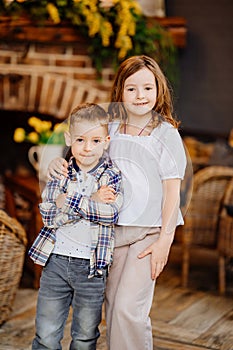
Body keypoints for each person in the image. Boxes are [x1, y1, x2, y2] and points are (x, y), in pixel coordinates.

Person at [48, 55, 187, 350]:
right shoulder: (109, 129)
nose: (140, 96)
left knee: (128, 309)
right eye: (132, 88)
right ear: (120, 92)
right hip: (110, 232)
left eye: (148, 88)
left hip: (148, 233)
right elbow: (84, 160)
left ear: (159, 90)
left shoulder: (166, 133)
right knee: (110, 307)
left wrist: (165, 240)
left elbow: (173, 192)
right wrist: (57, 166)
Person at [29, 103, 123, 350]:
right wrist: (91, 200)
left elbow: (110, 214)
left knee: (84, 337)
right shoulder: (60, 172)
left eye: (95, 140)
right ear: (69, 138)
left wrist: (67, 202)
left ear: (106, 141)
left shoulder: (111, 176)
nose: (87, 148)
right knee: (46, 335)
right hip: (56, 262)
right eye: (80, 140)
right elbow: (48, 215)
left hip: (92, 269)